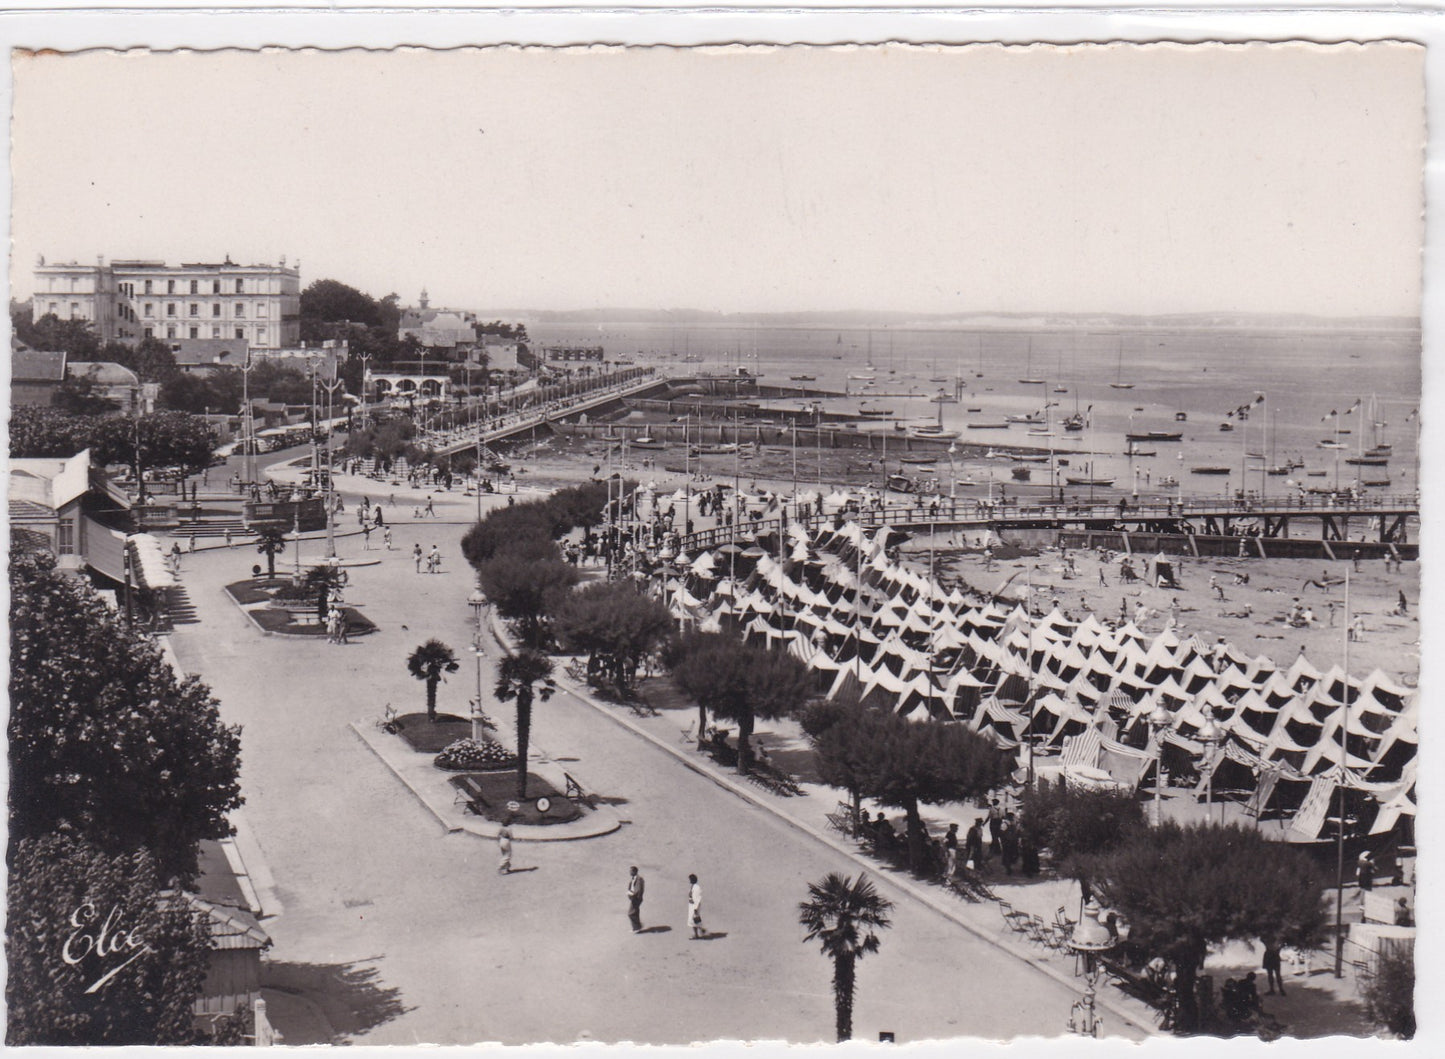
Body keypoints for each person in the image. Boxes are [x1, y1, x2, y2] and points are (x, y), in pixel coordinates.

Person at [627, 866, 645, 933]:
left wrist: (633, 895)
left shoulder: (639, 879)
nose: (629, 872)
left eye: (630, 871)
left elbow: (639, 890)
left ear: (634, 871)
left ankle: (637, 927)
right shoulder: (634, 878)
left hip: (636, 898)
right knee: (635, 912)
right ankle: (637, 927)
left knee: (630, 913)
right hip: (634, 897)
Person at [687, 873, 704, 939]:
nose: (689, 881)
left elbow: (698, 899)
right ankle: (699, 932)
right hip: (692, 906)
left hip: (694, 906)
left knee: (694, 920)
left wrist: (696, 908)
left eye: (690, 879)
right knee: (695, 921)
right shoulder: (693, 886)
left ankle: (699, 933)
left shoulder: (696, 888)